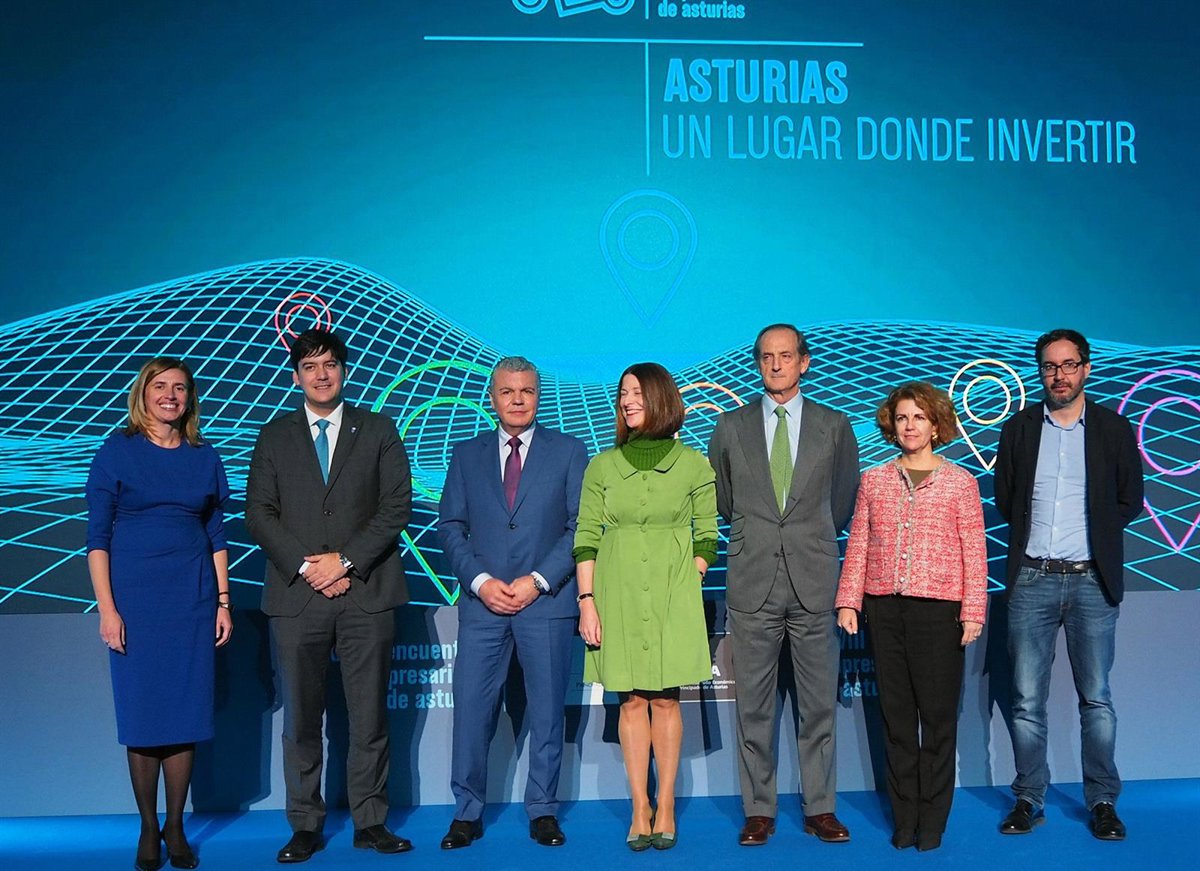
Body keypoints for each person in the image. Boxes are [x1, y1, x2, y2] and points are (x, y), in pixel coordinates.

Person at [245, 328, 413, 863]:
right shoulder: (274, 435)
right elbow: (259, 513)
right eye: (310, 366)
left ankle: (370, 821)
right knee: (301, 719)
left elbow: (396, 506)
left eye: (330, 364)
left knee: (369, 717)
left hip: (366, 591)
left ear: (344, 370)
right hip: (297, 596)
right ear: (296, 376)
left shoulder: (379, 429)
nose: (322, 375)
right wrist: (309, 567)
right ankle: (304, 825)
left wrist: (344, 562)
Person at [708, 323, 859, 846]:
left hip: (814, 581)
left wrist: (806, 539)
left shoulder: (834, 425)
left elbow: (841, 501)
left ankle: (820, 807)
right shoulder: (730, 426)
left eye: (786, 356)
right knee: (754, 705)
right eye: (767, 357)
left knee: (817, 705)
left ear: (804, 362)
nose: (776, 365)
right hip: (753, 581)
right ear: (758, 363)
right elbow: (725, 501)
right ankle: (759, 810)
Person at [994, 328, 1143, 841]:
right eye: (1050, 366)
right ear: (1041, 372)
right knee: (1026, 701)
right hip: (1032, 579)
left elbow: (1130, 499)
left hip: (1091, 582)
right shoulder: (1018, 429)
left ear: (1086, 369)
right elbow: (1007, 498)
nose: (1059, 375)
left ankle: (1102, 801)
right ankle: (1029, 798)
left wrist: (1095, 537)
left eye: (1068, 365)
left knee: (1096, 699)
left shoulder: (1113, 429)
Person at [86, 357, 232, 871]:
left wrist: (223, 602)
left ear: (190, 399)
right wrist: (108, 609)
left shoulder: (204, 455)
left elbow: (217, 535)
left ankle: (175, 826)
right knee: (145, 716)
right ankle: (148, 827)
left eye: (180, 388)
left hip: (192, 599)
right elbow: (97, 539)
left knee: (183, 715)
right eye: (160, 386)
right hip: (136, 602)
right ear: (143, 393)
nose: (171, 395)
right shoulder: (116, 451)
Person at [436, 357, 587, 849]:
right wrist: (480, 582)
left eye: (527, 391)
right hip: (483, 605)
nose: (517, 400)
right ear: (492, 397)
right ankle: (466, 812)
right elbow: (450, 526)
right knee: (472, 712)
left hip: (546, 602)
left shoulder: (569, 451)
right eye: (507, 391)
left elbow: (579, 527)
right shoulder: (466, 454)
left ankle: (543, 810)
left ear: (539, 396)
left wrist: (538, 581)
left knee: (546, 712)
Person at [835, 382, 987, 852]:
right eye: (902, 418)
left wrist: (973, 611)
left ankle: (932, 821)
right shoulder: (875, 480)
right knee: (897, 720)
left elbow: (974, 551)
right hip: (885, 609)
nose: (910, 426)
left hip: (939, 612)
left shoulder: (961, 482)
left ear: (935, 425)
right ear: (892, 425)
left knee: (937, 720)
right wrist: (848, 600)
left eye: (919, 417)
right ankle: (904, 820)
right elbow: (859, 542)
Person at [574, 362, 717, 851]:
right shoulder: (601, 466)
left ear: (660, 398)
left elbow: (708, 535)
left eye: (636, 392)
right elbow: (586, 538)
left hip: (674, 595)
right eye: (623, 393)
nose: (627, 400)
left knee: (666, 699)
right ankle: (640, 806)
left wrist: (690, 577)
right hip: (616, 593)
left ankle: (667, 804)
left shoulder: (693, 464)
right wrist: (587, 602)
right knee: (631, 700)